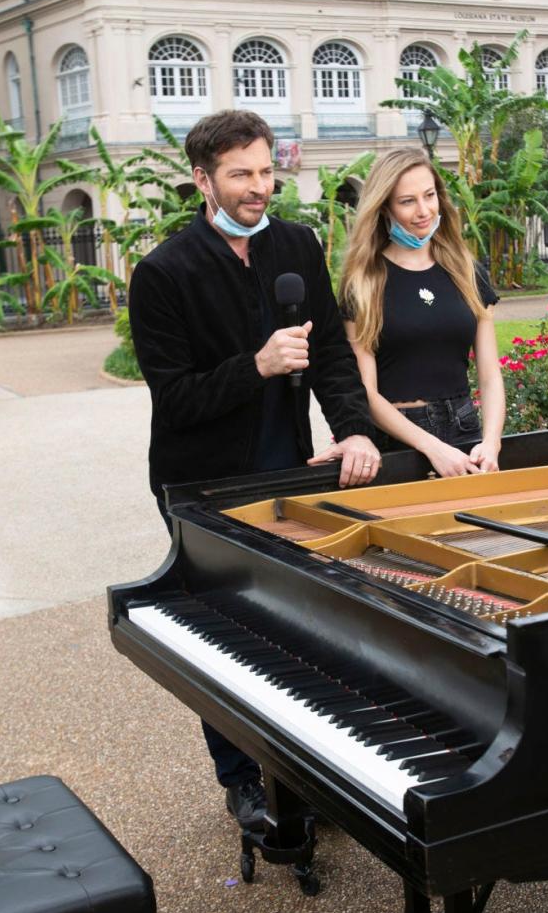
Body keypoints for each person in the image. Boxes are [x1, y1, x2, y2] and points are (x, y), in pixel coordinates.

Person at [128, 109, 381, 830]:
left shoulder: (297, 245)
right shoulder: (163, 273)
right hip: (200, 483)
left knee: (303, 626)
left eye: (267, 171)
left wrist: (355, 431)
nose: (259, 187)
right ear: (202, 179)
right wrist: (257, 366)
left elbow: (330, 354)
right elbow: (175, 399)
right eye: (241, 174)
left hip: (286, 472)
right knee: (228, 632)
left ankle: (307, 766)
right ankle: (241, 779)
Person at [340, 147, 506, 477]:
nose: (423, 210)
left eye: (429, 195)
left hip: (466, 432)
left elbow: (490, 375)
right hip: (399, 440)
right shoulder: (363, 283)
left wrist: (491, 443)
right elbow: (367, 394)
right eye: (407, 201)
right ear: (384, 207)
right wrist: (432, 447)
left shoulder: (466, 271)